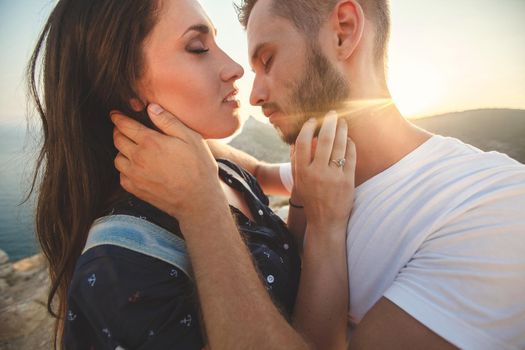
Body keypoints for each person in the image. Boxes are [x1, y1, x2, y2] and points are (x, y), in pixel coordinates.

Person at [113, 0, 525, 349]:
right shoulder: (319, 173)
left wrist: (203, 207)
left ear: (343, 32)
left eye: (268, 60)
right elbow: (254, 169)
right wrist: (169, 127)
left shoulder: (493, 206)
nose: (255, 94)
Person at [27, 0, 355, 348]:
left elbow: (262, 172)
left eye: (215, 41)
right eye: (198, 48)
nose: (234, 68)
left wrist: (306, 187)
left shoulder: (212, 162)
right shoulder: (121, 268)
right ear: (125, 86)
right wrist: (323, 225)